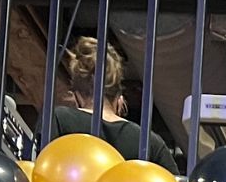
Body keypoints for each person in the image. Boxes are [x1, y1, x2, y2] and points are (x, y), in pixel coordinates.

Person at [46, 35, 179, 166]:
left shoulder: (58, 119)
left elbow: (39, 171)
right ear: (120, 100)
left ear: (76, 97)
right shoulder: (150, 142)